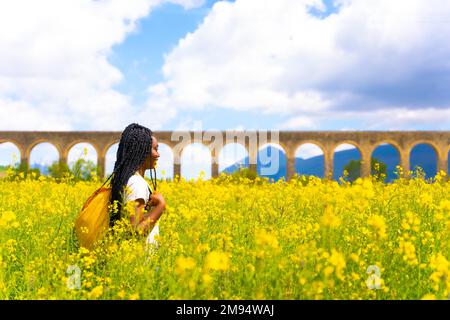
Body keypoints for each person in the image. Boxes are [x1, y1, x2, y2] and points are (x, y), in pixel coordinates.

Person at [109, 123, 166, 247]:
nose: (158, 155)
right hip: (139, 262)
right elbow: (136, 232)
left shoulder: (130, 180)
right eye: (155, 149)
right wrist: (160, 206)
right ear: (142, 151)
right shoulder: (136, 184)